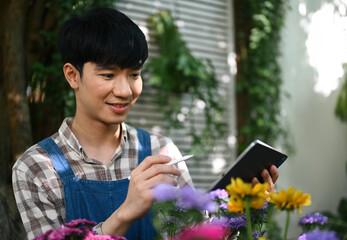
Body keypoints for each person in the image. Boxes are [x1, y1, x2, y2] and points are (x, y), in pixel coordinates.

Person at [12, 7, 279, 240]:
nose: (125, 90)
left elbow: (193, 236)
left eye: (134, 74)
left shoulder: (161, 151)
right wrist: (126, 212)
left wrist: (243, 208)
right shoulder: (35, 168)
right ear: (72, 75)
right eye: (108, 74)